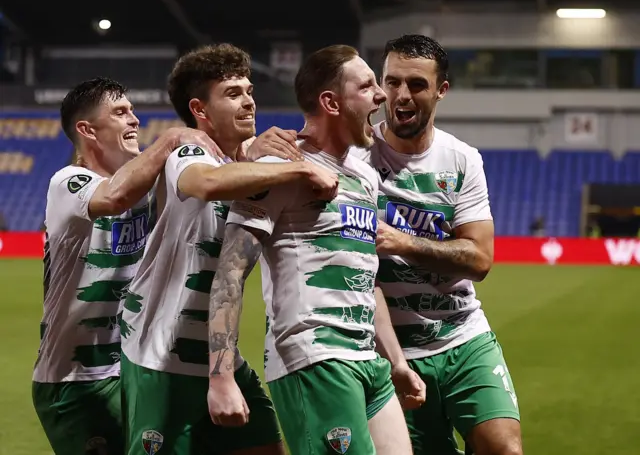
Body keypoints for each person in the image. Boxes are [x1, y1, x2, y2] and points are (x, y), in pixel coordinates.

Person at [119, 43, 338, 455]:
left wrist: (267, 155)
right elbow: (205, 182)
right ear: (200, 109)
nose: (248, 100)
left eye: (249, 90)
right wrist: (303, 167)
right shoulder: (190, 151)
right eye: (233, 93)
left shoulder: (252, 159)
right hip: (161, 354)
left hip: (219, 356)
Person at [206, 44, 414, 455]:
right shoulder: (277, 169)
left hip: (367, 361)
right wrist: (221, 376)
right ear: (330, 102)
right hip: (314, 356)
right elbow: (230, 271)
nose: (383, 95)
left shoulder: (364, 176)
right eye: (368, 86)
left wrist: (396, 360)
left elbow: (365, 275)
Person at [352, 34, 523, 455]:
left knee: (505, 449)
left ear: (441, 90)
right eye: (392, 82)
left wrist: (400, 242)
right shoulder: (354, 158)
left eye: (416, 84)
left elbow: (479, 259)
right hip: (392, 350)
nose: (401, 95)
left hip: (464, 336)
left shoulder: (462, 159)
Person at [33, 77, 218, 455]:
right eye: (120, 113)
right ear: (88, 130)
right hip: (74, 379)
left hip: (134, 368)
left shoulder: (149, 183)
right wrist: (167, 140)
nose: (134, 120)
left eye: (133, 110)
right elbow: (115, 196)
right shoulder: (68, 183)